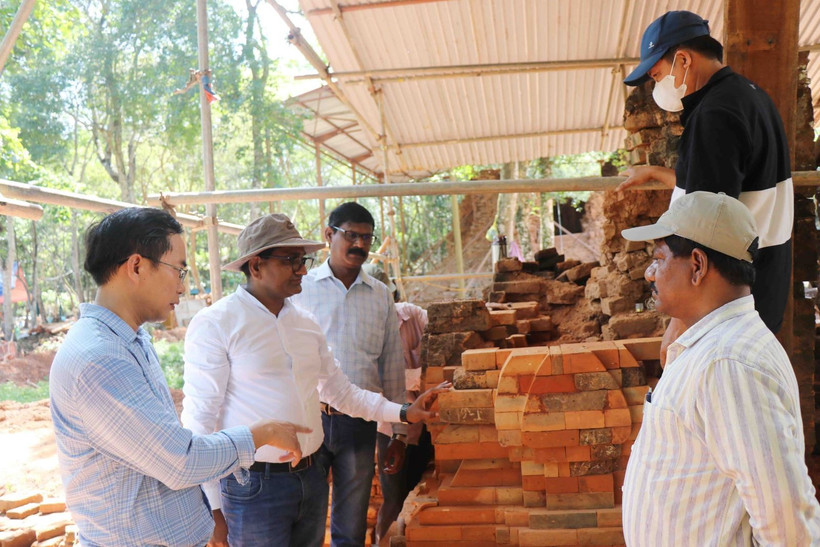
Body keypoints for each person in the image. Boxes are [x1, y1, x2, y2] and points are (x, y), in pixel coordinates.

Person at [181, 214, 446, 547]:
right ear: (256, 265)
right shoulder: (216, 323)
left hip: (311, 478)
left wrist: (404, 413)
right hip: (251, 486)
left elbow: (340, 391)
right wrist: (211, 507)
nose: (303, 269)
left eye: (302, 260)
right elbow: (199, 420)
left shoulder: (305, 323)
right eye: (291, 260)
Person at [49, 208, 309, 547]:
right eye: (179, 269)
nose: (183, 286)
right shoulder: (99, 359)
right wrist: (261, 434)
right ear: (137, 266)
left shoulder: (130, 339)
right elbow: (180, 461)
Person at [620, 192, 820, 546]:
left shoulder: (728, 363)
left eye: (659, 258)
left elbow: (785, 516)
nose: (651, 273)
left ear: (697, 265)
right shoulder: (715, 348)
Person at [619, 10, 792, 343]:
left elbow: (704, 227)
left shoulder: (715, 116)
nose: (657, 87)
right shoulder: (751, 96)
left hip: (726, 303)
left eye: (657, 76)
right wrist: (656, 172)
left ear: (683, 59)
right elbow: (724, 185)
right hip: (763, 284)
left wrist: (680, 326)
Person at [291, 202, 406, 547]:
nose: (359, 245)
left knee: (350, 527)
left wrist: (398, 433)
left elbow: (392, 367)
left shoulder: (381, 296)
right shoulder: (300, 289)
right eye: (351, 235)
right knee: (306, 519)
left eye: (367, 238)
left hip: (359, 424)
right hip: (309, 420)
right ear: (329, 235)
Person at [362, 263, 431, 542]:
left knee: (419, 488)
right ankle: (383, 541)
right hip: (390, 428)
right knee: (393, 498)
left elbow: (444, 341)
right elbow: (380, 382)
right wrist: (422, 377)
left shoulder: (413, 315)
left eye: (384, 299)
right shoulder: (365, 335)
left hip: (426, 422)